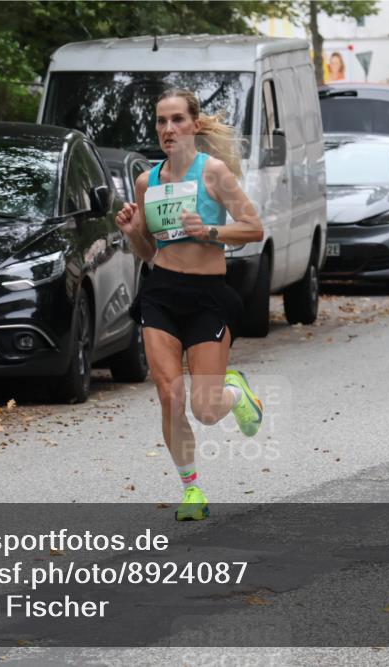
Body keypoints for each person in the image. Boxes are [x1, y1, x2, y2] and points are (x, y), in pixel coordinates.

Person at [115, 89, 265, 521]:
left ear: (195, 125)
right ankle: (192, 490)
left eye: (177, 119)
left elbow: (253, 228)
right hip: (161, 292)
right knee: (169, 394)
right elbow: (149, 251)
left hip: (208, 296)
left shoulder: (213, 172)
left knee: (206, 409)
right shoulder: (147, 182)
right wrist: (133, 233)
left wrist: (210, 232)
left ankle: (235, 393)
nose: (168, 129)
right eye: (161, 121)